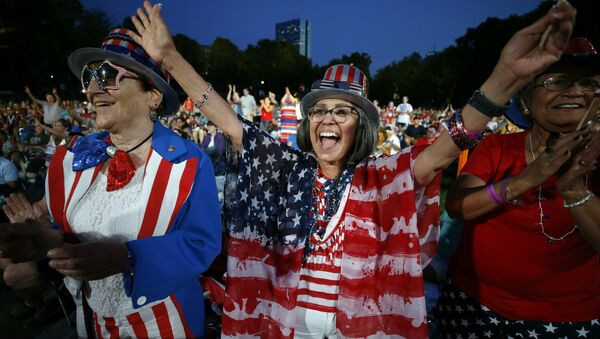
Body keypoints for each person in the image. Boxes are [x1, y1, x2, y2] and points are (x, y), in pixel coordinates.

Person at [128, 1, 576, 337]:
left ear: (359, 126)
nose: (327, 119)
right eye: (319, 110)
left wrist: (504, 76)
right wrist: (169, 58)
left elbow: (448, 145)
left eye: (342, 111)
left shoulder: (383, 178)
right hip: (284, 328)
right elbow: (224, 116)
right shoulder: (285, 170)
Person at [0, 27, 221, 337]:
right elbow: (70, 236)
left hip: (165, 322)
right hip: (91, 323)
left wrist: (127, 257)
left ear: (153, 95)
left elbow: (202, 245)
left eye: (107, 74)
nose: (92, 89)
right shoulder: (70, 157)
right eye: (88, 77)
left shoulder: (188, 163)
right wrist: (46, 241)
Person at [437, 37, 600, 338]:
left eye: (589, 82)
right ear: (524, 101)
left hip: (568, 319)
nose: (576, 91)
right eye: (558, 81)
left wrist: (575, 191)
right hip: (473, 303)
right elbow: (456, 206)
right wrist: (523, 181)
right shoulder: (497, 148)